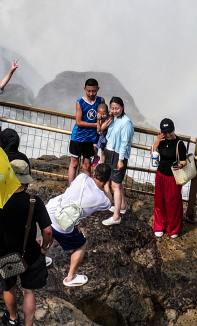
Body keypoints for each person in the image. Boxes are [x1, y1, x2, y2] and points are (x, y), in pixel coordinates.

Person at [0, 160, 53, 326]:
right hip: (30, 254)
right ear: (25, 179)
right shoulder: (35, 202)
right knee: (29, 291)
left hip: (6, 253)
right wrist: (44, 248)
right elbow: (48, 231)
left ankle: (13, 318)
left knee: (9, 287)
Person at [47, 162, 112, 287]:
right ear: (108, 179)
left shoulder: (82, 177)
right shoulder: (102, 199)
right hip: (62, 225)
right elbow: (110, 201)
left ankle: (40, 258)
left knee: (48, 231)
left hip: (48, 212)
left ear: (94, 173)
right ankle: (70, 277)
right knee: (82, 244)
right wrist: (107, 187)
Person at [151, 118, 188, 238]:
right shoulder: (161, 140)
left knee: (173, 203)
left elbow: (184, 161)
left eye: (169, 132)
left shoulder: (179, 144)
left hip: (173, 177)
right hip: (160, 174)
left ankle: (173, 229)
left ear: (173, 130)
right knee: (159, 201)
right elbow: (153, 152)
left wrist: (180, 165)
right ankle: (160, 225)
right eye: (164, 132)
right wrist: (157, 141)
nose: (167, 135)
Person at [101, 97, 134, 226]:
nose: (114, 111)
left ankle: (116, 217)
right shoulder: (112, 119)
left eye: (117, 108)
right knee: (117, 183)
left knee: (115, 185)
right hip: (109, 152)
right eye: (113, 108)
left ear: (122, 107)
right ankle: (122, 207)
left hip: (118, 155)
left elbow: (125, 142)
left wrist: (120, 160)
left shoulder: (126, 123)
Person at [68, 78, 103, 184]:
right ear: (84, 89)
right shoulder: (80, 102)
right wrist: (96, 125)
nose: (91, 93)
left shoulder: (100, 101)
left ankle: (86, 189)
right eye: (89, 91)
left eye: (94, 91)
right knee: (74, 163)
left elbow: (104, 115)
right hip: (78, 137)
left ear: (98, 89)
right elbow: (78, 122)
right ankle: (70, 188)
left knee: (87, 166)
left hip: (90, 139)